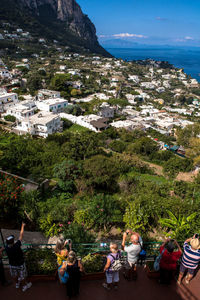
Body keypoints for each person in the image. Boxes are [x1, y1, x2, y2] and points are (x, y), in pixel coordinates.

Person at [5, 223, 32, 292]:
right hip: (20, 264)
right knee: (23, 276)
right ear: (13, 241)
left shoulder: (6, 248)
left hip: (12, 264)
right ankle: (24, 286)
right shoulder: (16, 246)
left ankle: (17, 284)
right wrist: (22, 226)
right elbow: (21, 235)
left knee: (14, 275)